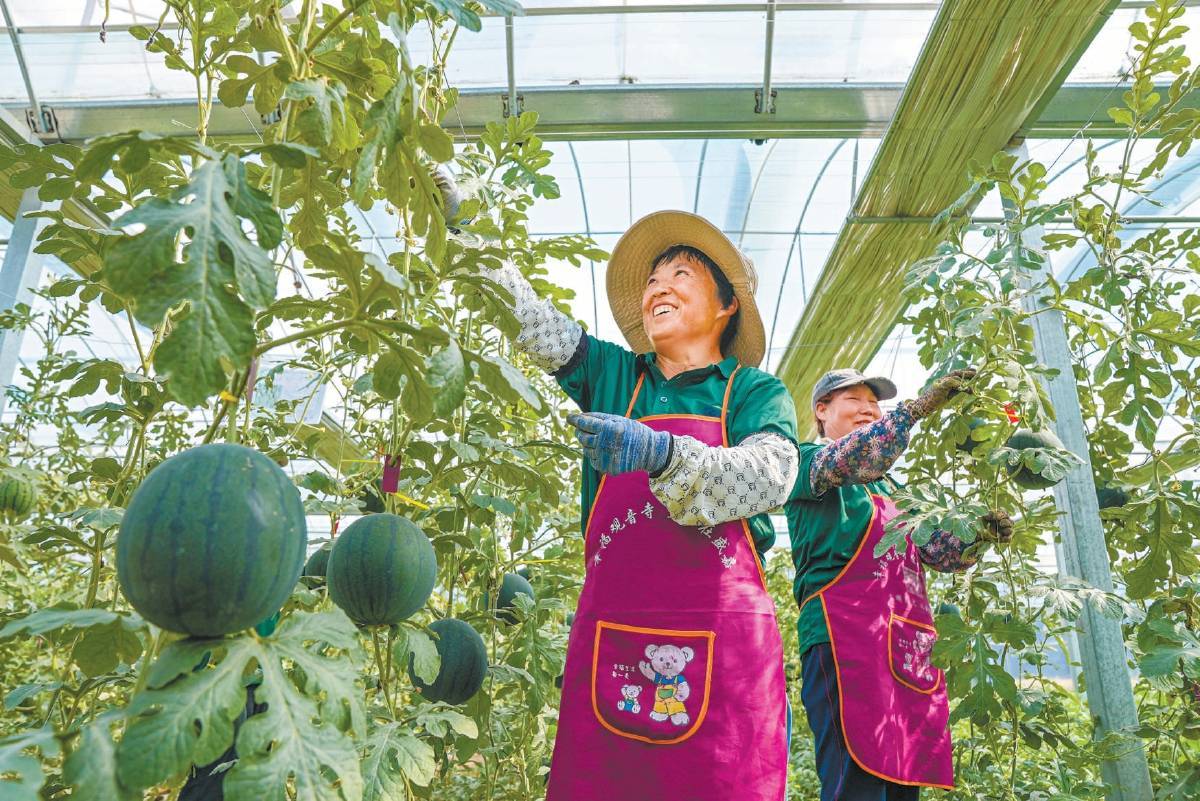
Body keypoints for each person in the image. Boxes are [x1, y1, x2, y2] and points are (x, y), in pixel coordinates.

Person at [481, 210, 799, 801]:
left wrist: (663, 454)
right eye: (652, 280)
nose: (658, 287)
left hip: (724, 646)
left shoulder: (753, 391)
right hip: (614, 639)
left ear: (727, 305)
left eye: (680, 273)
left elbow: (771, 475)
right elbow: (528, 318)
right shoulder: (612, 375)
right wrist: (467, 230)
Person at [785, 369, 1014, 801]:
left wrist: (979, 535)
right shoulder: (807, 462)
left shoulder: (895, 489)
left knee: (903, 780)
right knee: (855, 780)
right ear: (821, 410)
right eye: (854, 399)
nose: (869, 409)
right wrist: (916, 410)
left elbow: (943, 554)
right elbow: (861, 456)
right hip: (843, 638)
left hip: (904, 651)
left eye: (876, 403)